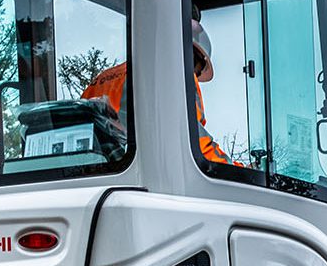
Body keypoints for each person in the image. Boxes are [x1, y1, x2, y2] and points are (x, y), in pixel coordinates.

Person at [82, 18, 228, 164]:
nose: (195, 76)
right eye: (197, 69)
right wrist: (238, 171)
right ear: (190, 55)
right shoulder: (176, 74)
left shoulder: (103, 78)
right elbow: (195, 142)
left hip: (97, 172)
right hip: (141, 175)